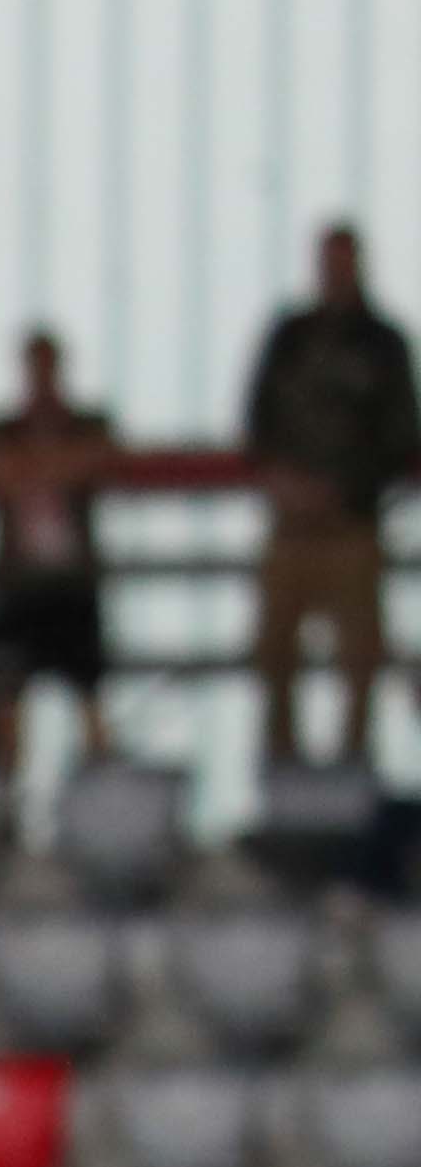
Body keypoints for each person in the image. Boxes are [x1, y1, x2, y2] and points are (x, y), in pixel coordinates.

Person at [245, 221, 416, 767]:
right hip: (290, 523)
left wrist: (344, 490)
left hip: (352, 525)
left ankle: (354, 761)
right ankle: (281, 759)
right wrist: (284, 482)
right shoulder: (289, 336)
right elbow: (257, 420)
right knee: (274, 650)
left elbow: (401, 434)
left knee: (361, 655)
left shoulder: (384, 344)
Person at [0, 328, 126, 773]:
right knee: (6, 695)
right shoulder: (2, 429)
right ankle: (8, 796)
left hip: (72, 583)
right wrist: (58, 466)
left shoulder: (87, 423)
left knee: (89, 692)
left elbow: (98, 461)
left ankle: (100, 791)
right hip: (19, 586)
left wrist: (34, 468)